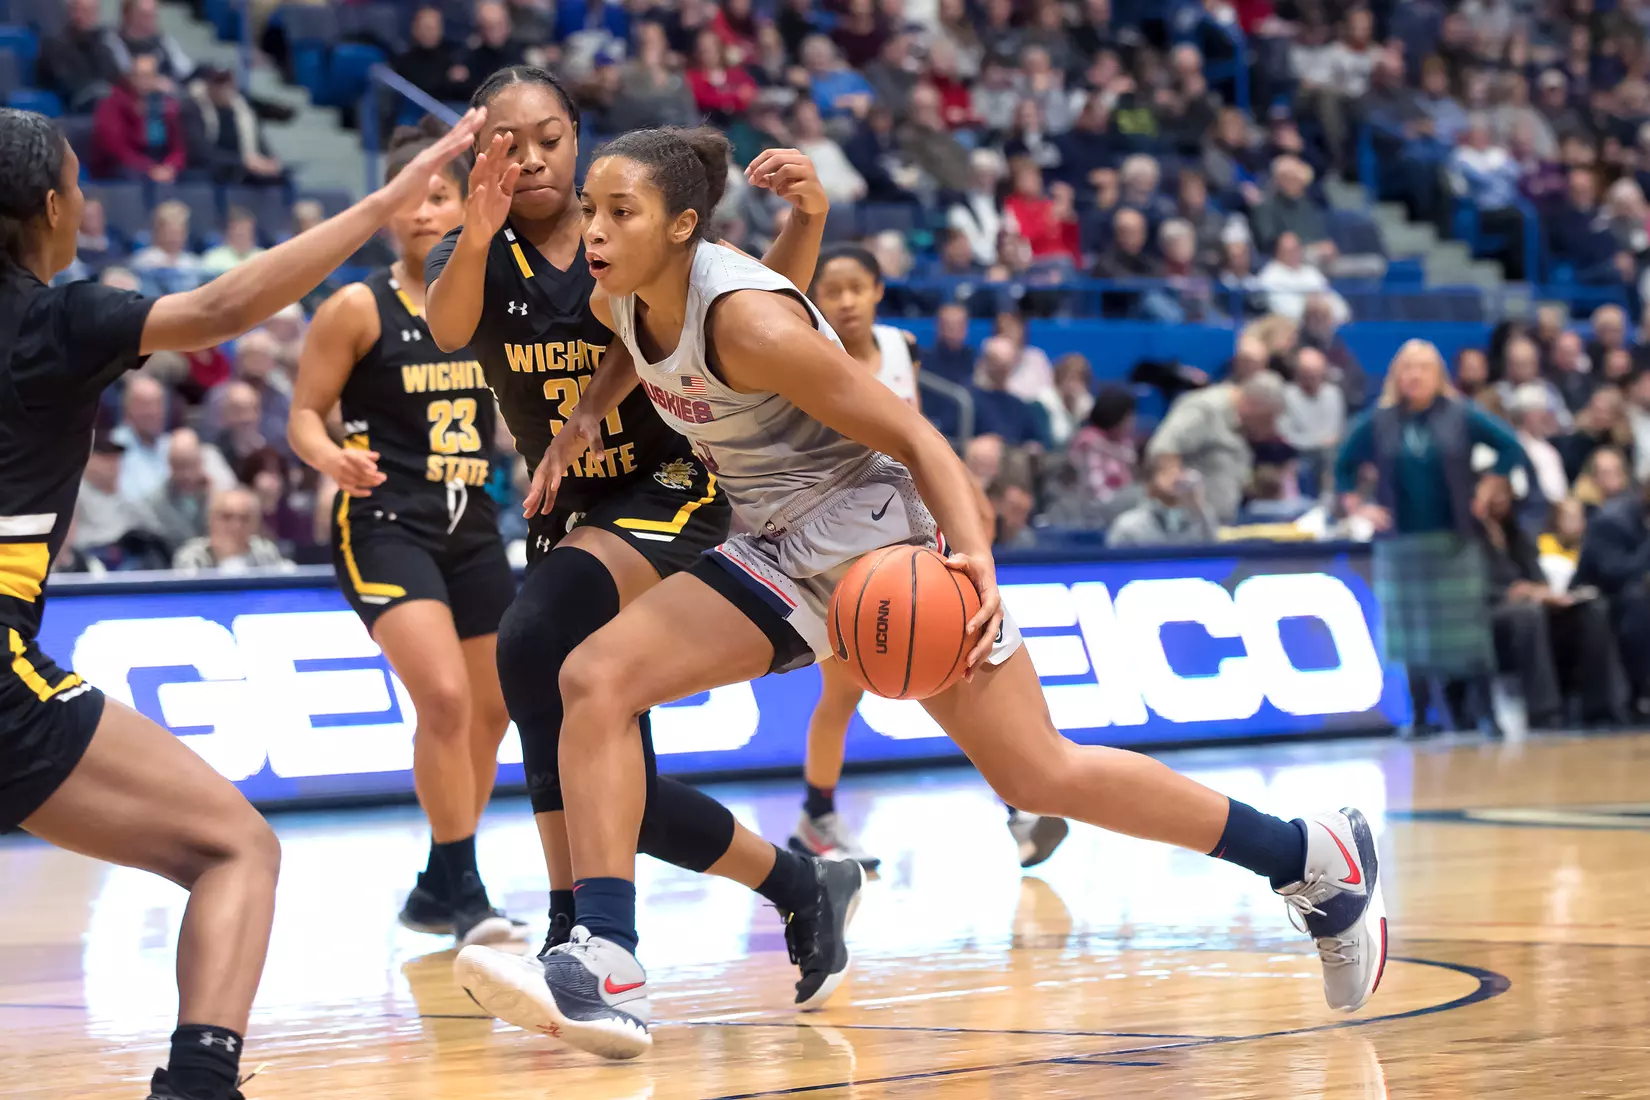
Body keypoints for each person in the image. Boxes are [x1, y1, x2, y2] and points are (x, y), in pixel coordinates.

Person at [455, 125, 1388, 1061]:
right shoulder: (626, 291)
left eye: (621, 213)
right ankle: (607, 959)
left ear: (683, 227)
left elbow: (918, 439)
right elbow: (639, 346)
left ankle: (1306, 855)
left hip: (876, 539)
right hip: (774, 543)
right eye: (591, 211)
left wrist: (973, 556)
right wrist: (580, 420)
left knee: (1038, 775)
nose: (597, 229)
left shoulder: (750, 321)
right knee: (597, 677)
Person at [0, 104, 482, 1100]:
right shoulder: (57, 318)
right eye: (81, 186)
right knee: (237, 848)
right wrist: (382, 204)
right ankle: (200, 1083)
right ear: (52, 207)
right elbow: (222, 307)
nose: (88, 201)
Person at [422, 66, 862, 1003]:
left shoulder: (629, 220)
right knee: (617, 784)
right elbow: (451, 329)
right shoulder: (481, 248)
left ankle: (580, 931)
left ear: (579, 140)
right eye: (511, 141)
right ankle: (799, 881)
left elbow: (746, 307)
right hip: (568, 508)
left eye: (550, 137)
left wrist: (809, 223)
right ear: (481, 150)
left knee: (533, 639)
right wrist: (471, 229)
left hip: (669, 487)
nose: (533, 157)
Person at [288, 122, 520, 946]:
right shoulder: (359, 306)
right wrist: (330, 461)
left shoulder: (495, 301)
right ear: (389, 213)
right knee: (446, 700)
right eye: (413, 200)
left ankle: (436, 880)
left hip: (475, 521)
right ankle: (463, 888)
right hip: (386, 522)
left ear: (468, 204)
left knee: (492, 713)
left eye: (442, 196)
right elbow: (304, 417)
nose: (427, 213)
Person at [793, 245, 1070, 872]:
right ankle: (818, 816)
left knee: (947, 668)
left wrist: (967, 494)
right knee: (859, 689)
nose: (843, 301)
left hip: (910, 536)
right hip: (843, 545)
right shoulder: (806, 347)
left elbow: (918, 435)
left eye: (854, 288)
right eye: (830, 289)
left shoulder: (898, 348)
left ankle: (1019, 803)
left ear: (878, 291)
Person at [1335, 340, 1527, 736]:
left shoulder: (1460, 414)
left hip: (1454, 540)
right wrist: (1358, 506)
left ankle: (1488, 715)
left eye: (1423, 367)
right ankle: (1421, 717)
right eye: (1407, 368)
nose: (1414, 376)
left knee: (1470, 633)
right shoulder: (1380, 420)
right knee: (1411, 635)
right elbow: (1343, 465)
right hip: (1401, 542)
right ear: (1395, 376)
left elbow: (1511, 448)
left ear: (1437, 374)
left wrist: (1489, 488)